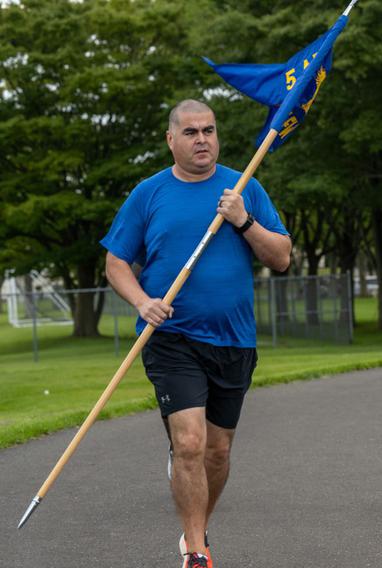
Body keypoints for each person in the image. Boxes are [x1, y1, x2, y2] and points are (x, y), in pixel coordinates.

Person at [102, 100, 291, 568]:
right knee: (189, 443)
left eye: (208, 130)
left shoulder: (243, 186)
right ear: (172, 140)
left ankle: (197, 526)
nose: (201, 139)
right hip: (171, 337)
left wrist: (243, 220)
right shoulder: (149, 194)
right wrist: (142, 302)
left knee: (217, 450)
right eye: (190, 132)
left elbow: (282, 257)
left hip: (233, 340)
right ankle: (197, 551)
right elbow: (116, 262)